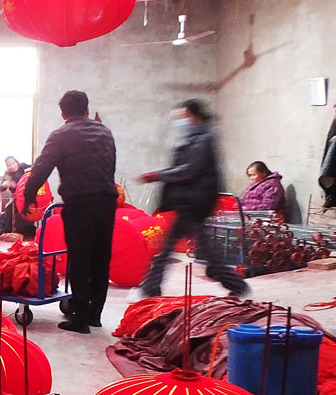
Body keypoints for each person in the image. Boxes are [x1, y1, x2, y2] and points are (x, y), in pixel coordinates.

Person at [133, 99, 250, 300]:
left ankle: (149, 289)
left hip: (194, 202)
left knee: (170, 247)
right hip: (190, 201)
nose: (181, 121)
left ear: (195, 116)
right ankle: (237, 286)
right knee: (197, 249)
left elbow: (188, 170)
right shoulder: (196, 137)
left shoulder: (203, 139)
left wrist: (157, 175)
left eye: (184, 116)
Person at [24, 91, 118, 334]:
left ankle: (80, 319)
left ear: (63, 113)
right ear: (87, 109)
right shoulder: (105, 132)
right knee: (100, 258)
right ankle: (95, 315)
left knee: (80, 258)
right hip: (107, 202)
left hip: (80, 203)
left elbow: (41, 167)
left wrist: (28, 195)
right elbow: (110, 166)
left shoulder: (61, 135)